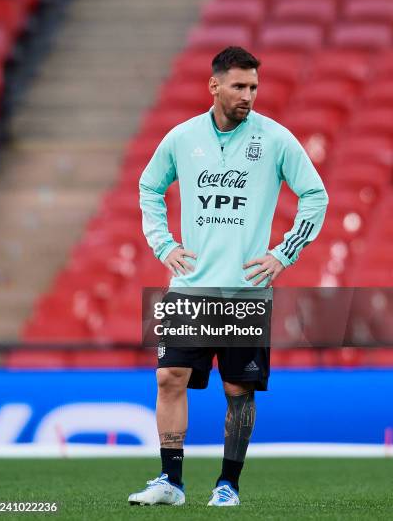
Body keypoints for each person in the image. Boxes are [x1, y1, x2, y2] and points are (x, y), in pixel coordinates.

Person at [128, 46, 328, 506]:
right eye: (239, 86)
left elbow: (315, 196)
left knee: (238, 390)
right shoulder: (182, 137)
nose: (249, 95)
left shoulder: (275, 139)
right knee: (169, 377)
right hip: (190, 287)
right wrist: (165, 245)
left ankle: (228, 485)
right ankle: (170, 482)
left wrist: (283, 254)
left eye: (254, 87)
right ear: (214, 85)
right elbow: (149, 186)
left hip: (246, 290)